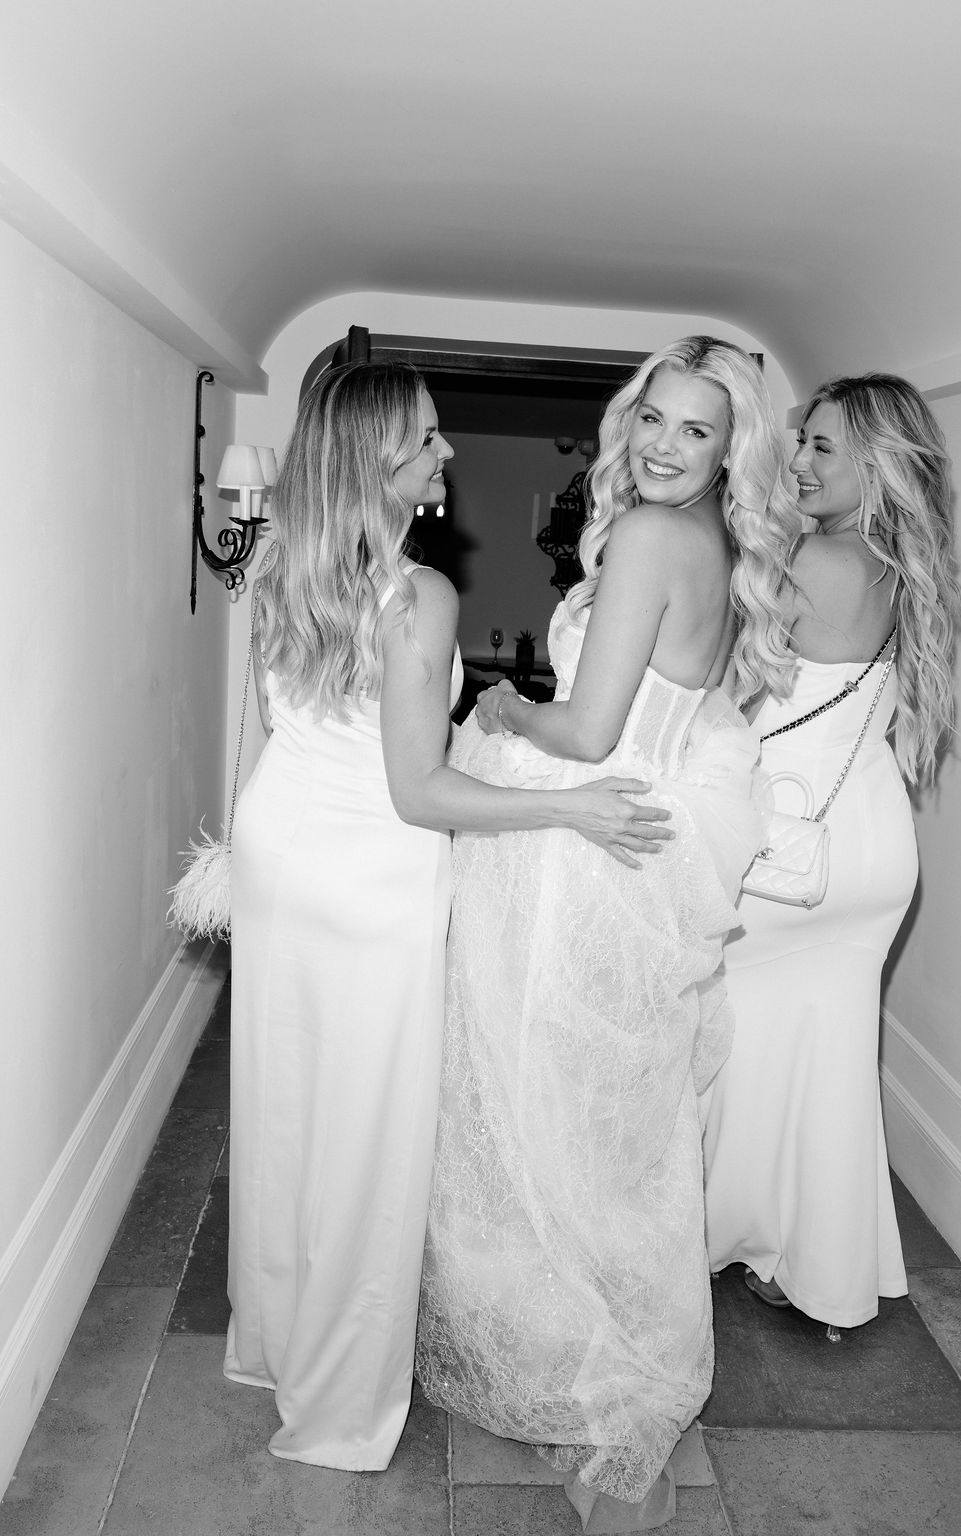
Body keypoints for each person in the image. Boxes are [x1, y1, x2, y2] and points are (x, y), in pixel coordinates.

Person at [224, 362, 673, 1471]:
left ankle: (277, 1342)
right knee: (368, 1140)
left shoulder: (281, 561)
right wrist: (568, 807)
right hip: (371, 883)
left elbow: (265, 727)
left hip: (280, 854)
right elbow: (418, 793)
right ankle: (334, 1405)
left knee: (287, 1109)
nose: (447, 453)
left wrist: (233, 860)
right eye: (426, 438)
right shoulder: (417, 596)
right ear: (378, 458)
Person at [416, 337, 799, 1531]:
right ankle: (606, 1322)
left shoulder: (641, 539)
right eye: (654, 421)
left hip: (584, 850)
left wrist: (499, 700)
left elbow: (584, 737)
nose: (668, 446)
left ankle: (561, 1338)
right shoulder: (714, 543)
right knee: (612, 1112)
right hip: (635, 850)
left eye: (698, 430)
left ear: (733, 446)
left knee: (539, 1098)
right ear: (628, 421)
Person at [701, 372, 961, 1336]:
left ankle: (715, 1232)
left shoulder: (814, 559)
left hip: (785, 843)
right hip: (870, 845)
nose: (800, 461)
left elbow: (726, 694)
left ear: (877, 464)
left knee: (712, 1029)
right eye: (800, 441)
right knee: (824, 1053)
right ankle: (808, 1265)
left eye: (821, 448)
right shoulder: (898, 562)